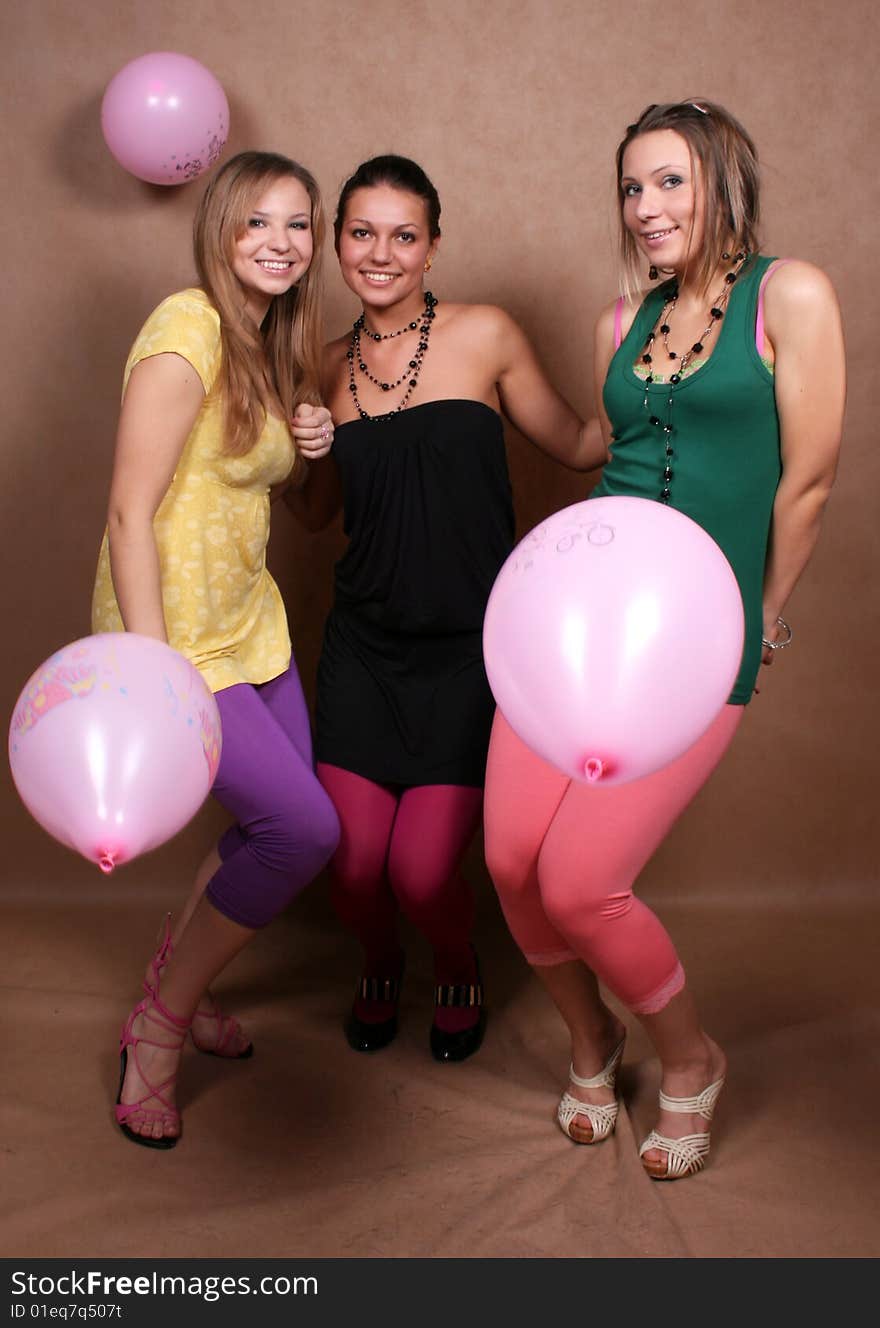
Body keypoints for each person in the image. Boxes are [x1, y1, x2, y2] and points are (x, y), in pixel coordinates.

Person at [484, 100, 845, 1179]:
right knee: (509, 859)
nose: (645, 208)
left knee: (582, 876)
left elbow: (809, 477)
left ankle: (688, 1060)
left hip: (694, 632)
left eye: (669, 182)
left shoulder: (794, 294)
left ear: (724, 181)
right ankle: (593, 1040)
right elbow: (605, 445)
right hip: (577, 622)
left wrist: (765, 611)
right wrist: (480, 394)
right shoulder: (619, 321)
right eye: (631, 188)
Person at [287, 155, 606, 1063]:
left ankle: (455, 960)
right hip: (363, 650)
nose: (380, 253)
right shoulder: (322, 365)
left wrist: (647, 372)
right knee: (351, 869)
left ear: (433, 245)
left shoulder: (486, 334)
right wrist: (300, 453)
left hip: (471, 653)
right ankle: (380, 961)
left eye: (403, 235)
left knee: (423, 872)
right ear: (338, 243)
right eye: (360, 233)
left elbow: (581, 444)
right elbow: (314, 517)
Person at [92, 150, 341, 1149]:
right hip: (178, 638)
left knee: (268, 827)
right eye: (258, 223)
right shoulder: (187, 324)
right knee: (303, 829)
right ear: (220, 232)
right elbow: (126, 506)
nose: (282, 243)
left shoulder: (272, 343)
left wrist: (310, 438)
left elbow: (265, 488)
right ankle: (155, 1027)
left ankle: (177, 988)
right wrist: (154, 669)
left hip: (253, 626)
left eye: (299, 224)